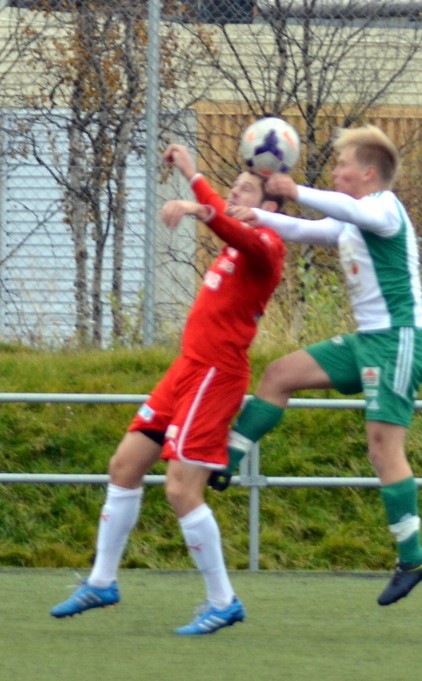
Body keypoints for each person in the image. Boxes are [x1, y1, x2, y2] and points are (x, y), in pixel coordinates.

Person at [49, 143, 287, 635]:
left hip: (216, 375)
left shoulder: (267, 246)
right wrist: (191, 172)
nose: (232, 194)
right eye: (233, 187)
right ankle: (102, 581)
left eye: (244, 189)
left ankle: (223, 601)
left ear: (269, 206)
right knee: (124, 465)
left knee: (181, 488)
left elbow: (229, 225)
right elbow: (224, 217)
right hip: (186, 370)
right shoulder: (237, 237)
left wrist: (197, 207)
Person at [213, 124, 422, 606]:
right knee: (279, 375)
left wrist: (295, 190)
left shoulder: (384, 208)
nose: (335, 172)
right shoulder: (354, 220)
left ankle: (413, 557)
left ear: (368, 172)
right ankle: (226, 460)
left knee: (383, 448)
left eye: (342, 165)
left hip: (399, 340)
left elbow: (347, 210)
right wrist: (253, 215)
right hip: (369, 341)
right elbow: (305, 229)